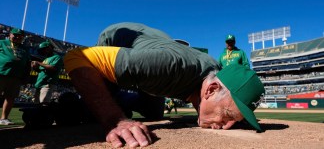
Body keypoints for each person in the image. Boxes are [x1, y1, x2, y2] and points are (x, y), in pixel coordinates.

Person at [63, 22, 265, 148]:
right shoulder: (167, 67)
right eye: (228, 116)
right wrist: (114, 119)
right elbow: (76, 57)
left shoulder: (215, 74)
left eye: (234, 120)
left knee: (154, 113)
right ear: (211, 90)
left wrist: (235, 113)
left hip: (156, 53)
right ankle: (117, 99)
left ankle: (127, 98)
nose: (227, 126)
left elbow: (222, 94)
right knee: (98, 110)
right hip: (118, 39)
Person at [0, 28, 30, 125]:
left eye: (20, 36)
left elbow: (27, 63)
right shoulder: (2, 42)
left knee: (11, 97)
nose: (17, 37)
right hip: (1, 73)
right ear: (10, 34)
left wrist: (26, 77)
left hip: (16, 77)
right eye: (15, 35)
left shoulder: (24, 49)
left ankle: (4, 118)